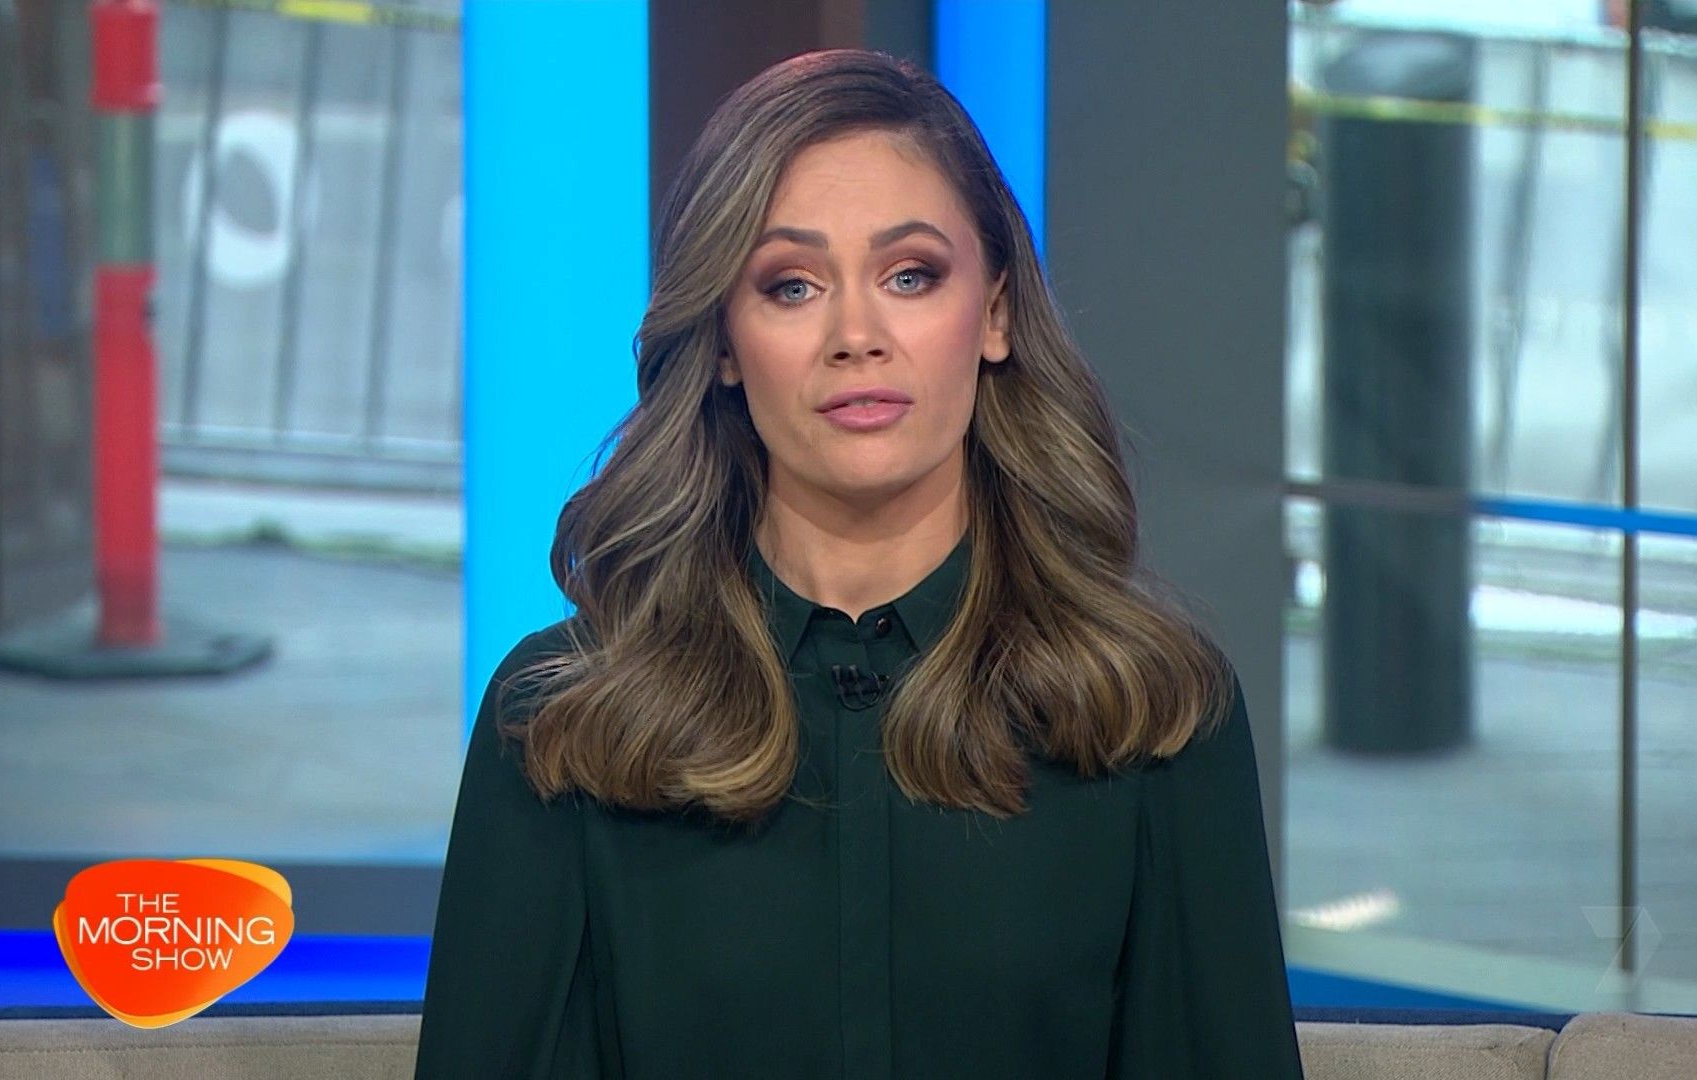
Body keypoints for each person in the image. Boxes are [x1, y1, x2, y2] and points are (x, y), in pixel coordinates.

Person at [414, 48, 1305, 1080]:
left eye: (910, 276)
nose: (856, 336)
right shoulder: (566, 722)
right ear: (724, 344)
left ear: (997, 312)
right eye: (791, 286)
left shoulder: (1151, 712)